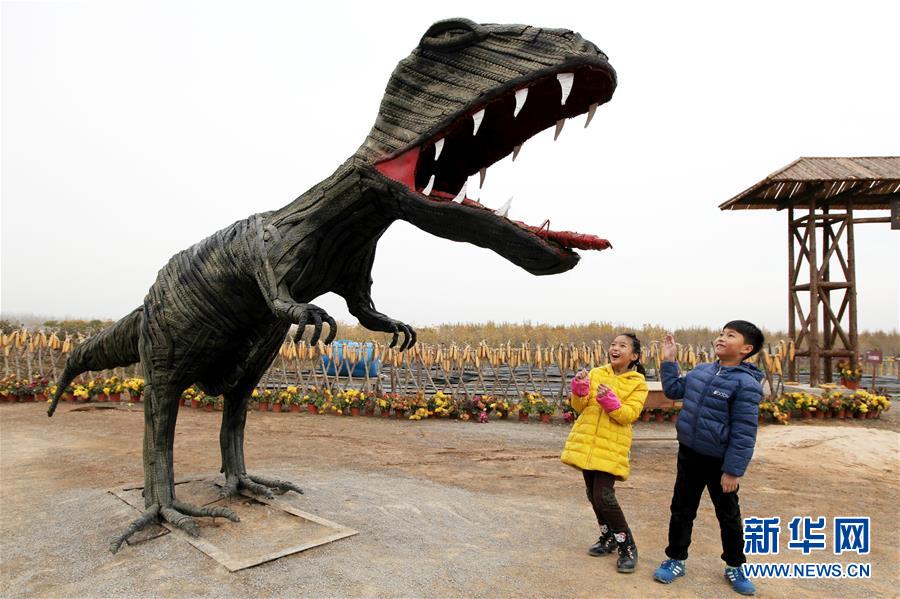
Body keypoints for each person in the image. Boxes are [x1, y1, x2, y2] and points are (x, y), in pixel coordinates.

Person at [652, 321, 765, 596]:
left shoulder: (746, 384)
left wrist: (733, 471)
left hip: (720, 462)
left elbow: (744, 432)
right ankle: (676, 559)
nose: (721, 338)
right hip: (689, 454)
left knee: (728, 515)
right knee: (682, 509)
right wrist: (669, 362)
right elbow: (674, 391)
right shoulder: (702, 371)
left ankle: (735, 566)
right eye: (721, 333)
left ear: (746, 349)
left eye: (730, 335)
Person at [560, 333, 649, 573]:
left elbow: (629, 415)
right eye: (613, 345)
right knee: (592, 494)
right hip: (588, 443)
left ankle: (627, 546)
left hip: (612, 446)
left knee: (604, 497)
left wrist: (613, 403)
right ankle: (608, 536)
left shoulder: (637, 383)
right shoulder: (597, 373)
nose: (615, 348)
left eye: (622, 346)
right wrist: (579, 390)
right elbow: (580, 407)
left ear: (634, 356)